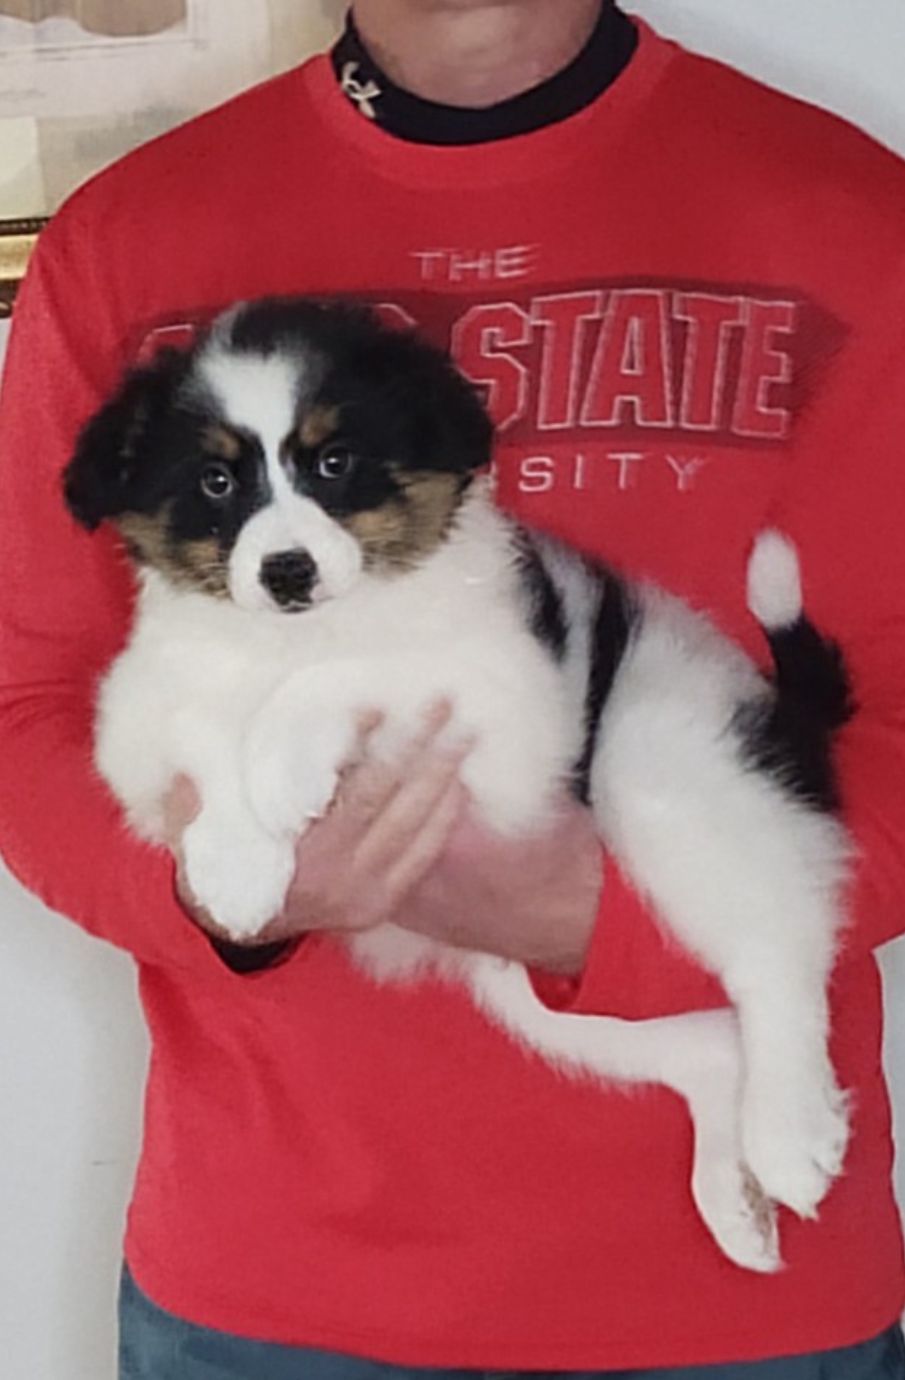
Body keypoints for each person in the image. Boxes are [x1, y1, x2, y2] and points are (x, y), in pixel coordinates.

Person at [1, 2, 904, 1376]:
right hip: (268, 1295)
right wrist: (216, 897)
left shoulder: (848, 216)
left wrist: (602, 920)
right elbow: (23, 708)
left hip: (735, 1310)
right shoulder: (132, 238)